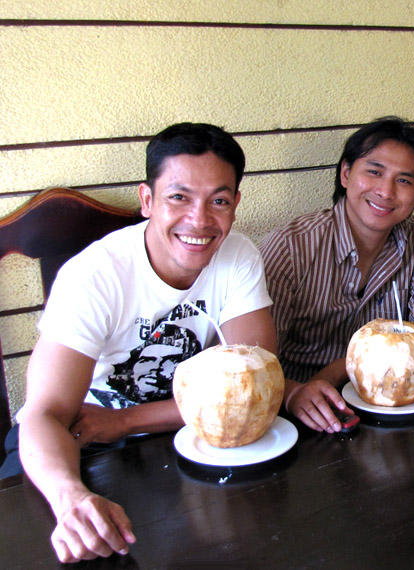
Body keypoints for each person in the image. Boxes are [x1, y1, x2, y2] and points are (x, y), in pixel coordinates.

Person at [11, 123, 277, 563]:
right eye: (179, 197)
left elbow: (257, 389)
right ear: (148, 200)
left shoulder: (239, 256)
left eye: (219, 201)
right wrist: (69, 497)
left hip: (194, 434)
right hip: (90, 437)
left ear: (235, 206)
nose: (200, 219)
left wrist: (128, 421)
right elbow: (43, 415)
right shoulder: (93, 276)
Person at [261, 117, 414, 433]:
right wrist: (293, 393)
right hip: (302, 413)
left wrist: (342, 369)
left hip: (393, 408)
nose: (385, 191)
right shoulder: (292, 245)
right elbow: (257, 362)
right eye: (374, 172)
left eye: (404, 181)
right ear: (345, 173)